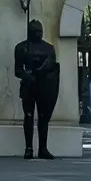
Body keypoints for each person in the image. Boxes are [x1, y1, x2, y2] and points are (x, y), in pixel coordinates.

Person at [13, 19, 61, 159]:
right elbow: (17, 70)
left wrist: (41, 72)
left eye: (40, 31)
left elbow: (53, 69)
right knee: (28, 116)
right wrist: (26, 74)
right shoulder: (21, 48)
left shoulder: (49, 48)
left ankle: (43, 148)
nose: (39, 34)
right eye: (35, 32)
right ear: (30, 32)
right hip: (28, 86)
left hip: (44, 86)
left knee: (43, 118)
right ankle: (28, 148)